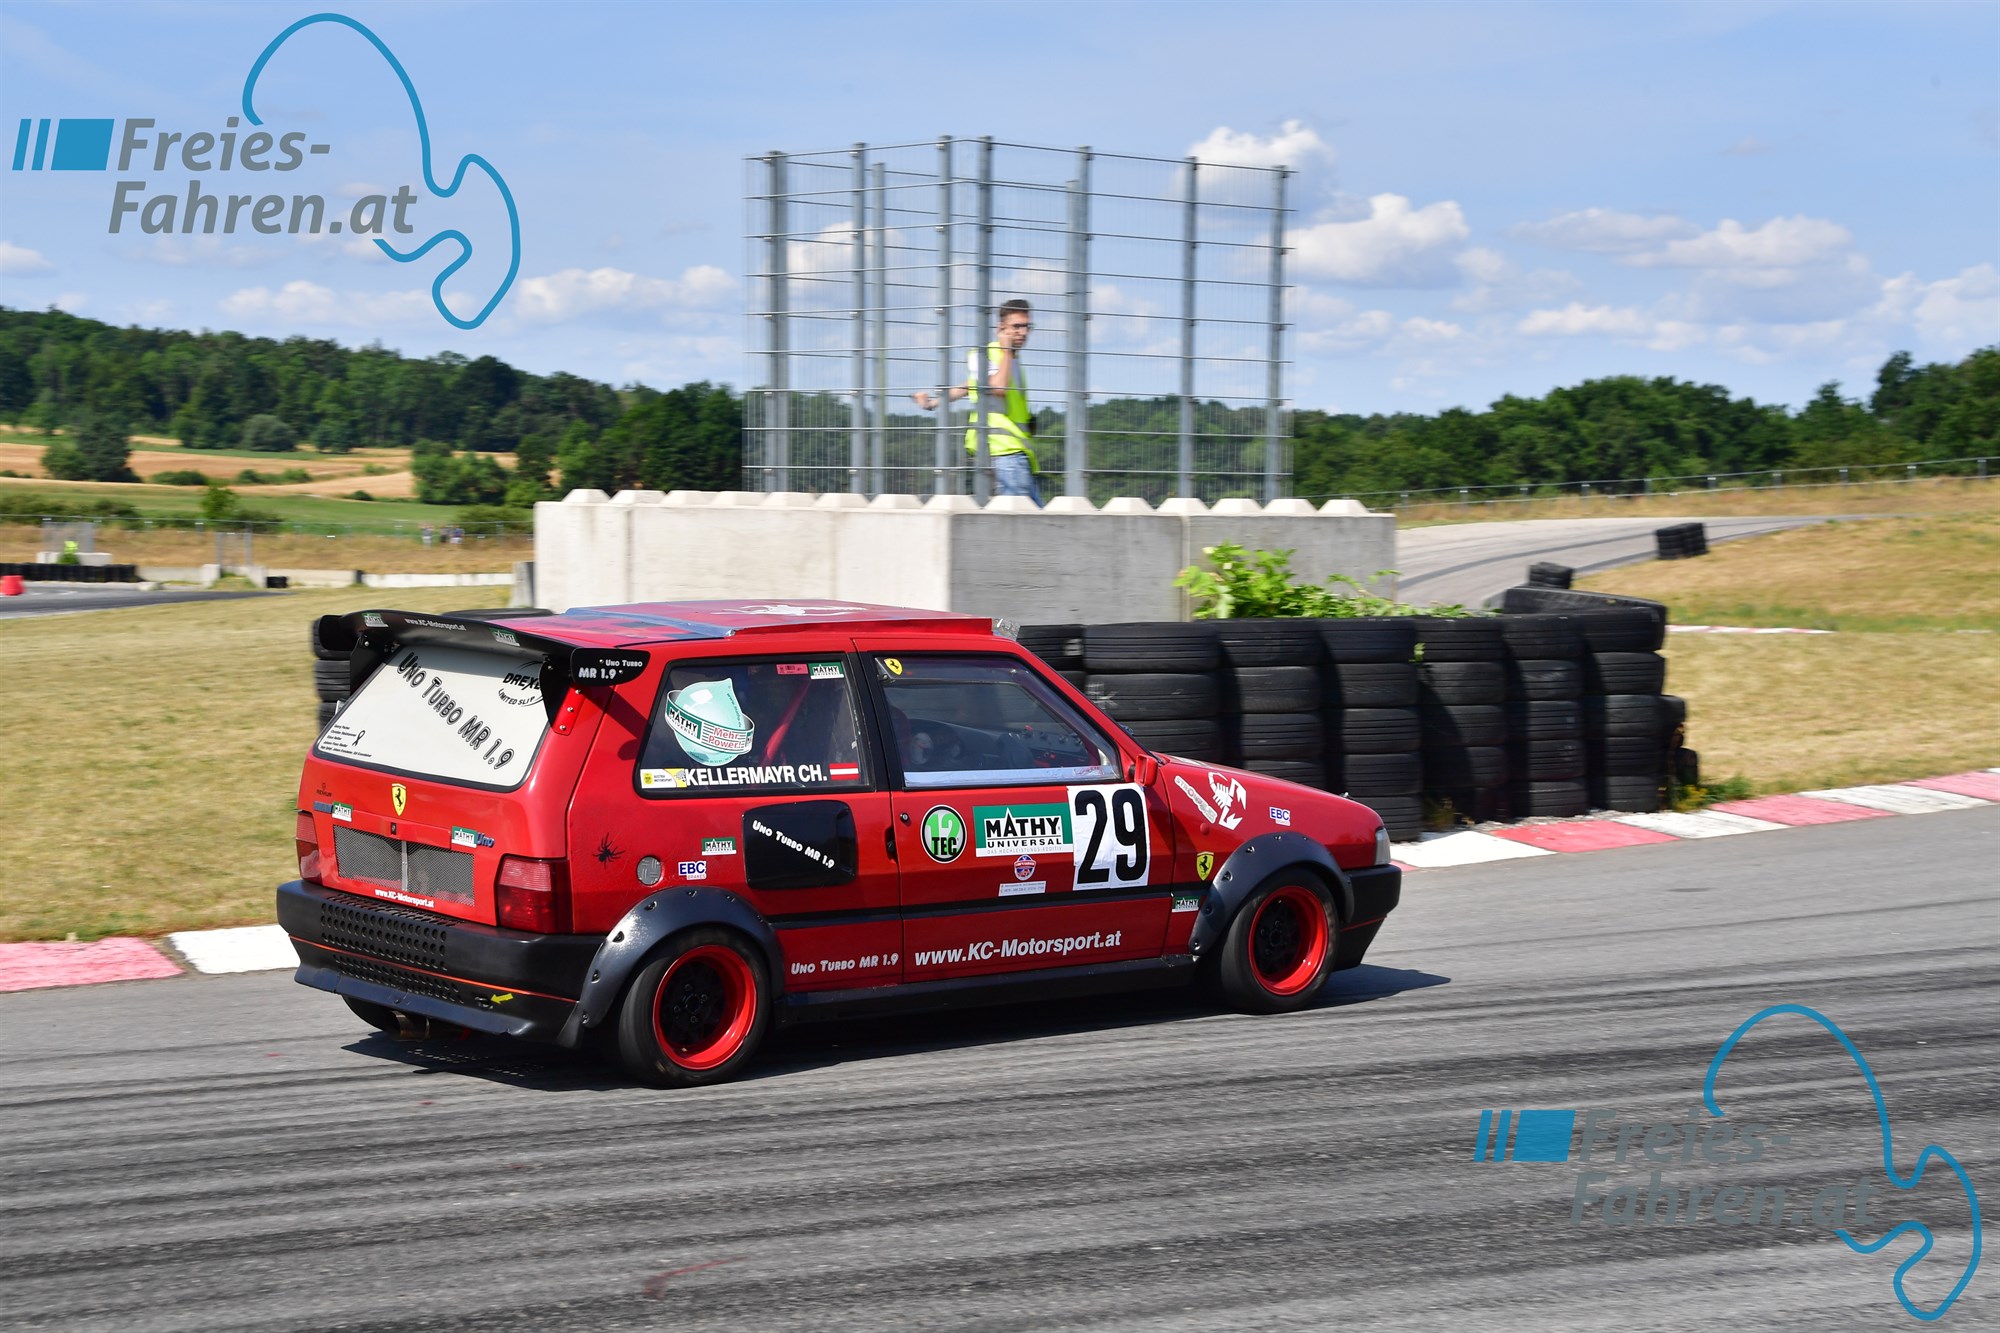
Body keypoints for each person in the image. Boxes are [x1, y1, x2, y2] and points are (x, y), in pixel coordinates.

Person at [912, 299, 1041, 504]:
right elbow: (998, 388)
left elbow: (969, 386)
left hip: (1015, 452)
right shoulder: (986, 354)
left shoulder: (1012, 359)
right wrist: (1007, 351)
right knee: (1021, 517)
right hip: (1003, 452)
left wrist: (933, 403)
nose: (1023, 332)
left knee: (1031, 516)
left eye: (1027, 326)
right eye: (1017, 326)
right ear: (1001, 328)